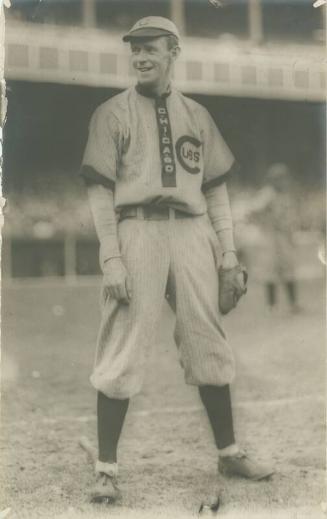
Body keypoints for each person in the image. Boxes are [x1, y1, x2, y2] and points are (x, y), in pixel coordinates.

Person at [80, 16, 273, 503]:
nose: (141, 58)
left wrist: (227, 254)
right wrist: (112, 258)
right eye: (136, 50)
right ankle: (106, 469)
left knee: (207, 340)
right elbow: (101, 195)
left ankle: (229, 454)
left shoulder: (198, 116)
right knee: (122, 344)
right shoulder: (111, 113)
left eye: (151, 49)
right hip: (136, 231)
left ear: (173, 53)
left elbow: (217, 193)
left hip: (192, 232)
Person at [249, 163, 301, 313]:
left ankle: (293, 304)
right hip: (270, 237)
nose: (283, 181)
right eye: (279, 178)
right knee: (270, 270)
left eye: (284, 178)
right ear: (273, 180)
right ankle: (271, 305)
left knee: (288, 268)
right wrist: (266, 221)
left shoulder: (285, 195)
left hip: (283, 236)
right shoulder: (267, 193)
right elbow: (253, 211)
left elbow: (290, 217)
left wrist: (291, 235)